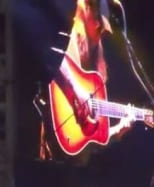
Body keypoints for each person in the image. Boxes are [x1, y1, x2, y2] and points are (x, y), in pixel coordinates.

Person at [41, 0, 133, 160]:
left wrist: (118, 131)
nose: (101, 29)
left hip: (75, 168)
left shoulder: (96, 65)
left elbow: (87, 142)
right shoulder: (64, 37)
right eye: (99, 21)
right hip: (49, 159)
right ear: (87, 8)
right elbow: (47, 54)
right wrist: (75, 91)